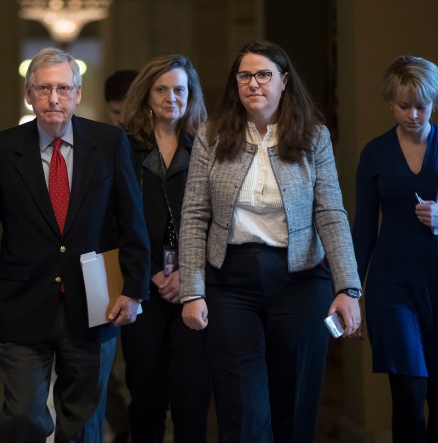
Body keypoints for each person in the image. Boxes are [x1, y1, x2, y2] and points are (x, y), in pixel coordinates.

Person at [0, 47, 151, 443]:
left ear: (78, 94)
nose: (54, 98)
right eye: (44, 88)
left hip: (93, 303)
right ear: (29, 94)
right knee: (24, 416)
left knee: (82, 425)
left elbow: (131, 222)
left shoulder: (109, 143)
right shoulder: (0, 149)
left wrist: (133, 290)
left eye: (63, 88)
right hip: (22, 303)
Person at [178, 40, 362, 442]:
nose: (253, 84)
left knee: (295, 404)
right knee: (244, 410)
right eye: (244, 75)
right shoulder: (212, 135)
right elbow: (194, 214)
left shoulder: (313, 136)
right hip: (230, 283)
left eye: (264, 75)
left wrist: (347, 287)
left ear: (284, 82)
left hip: (299, 279)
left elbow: (330, 213)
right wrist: (192, 290)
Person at [122, 54, 211, 442]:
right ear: (146, 94)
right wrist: (154, 269)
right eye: (161, 89)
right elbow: (115, 219)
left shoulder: (209, 147)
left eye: (179, 89)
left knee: (192, 397)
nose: (170, 97)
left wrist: (187, 273)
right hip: (142, 285)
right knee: (146, 395)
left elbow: (219, 218)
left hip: (195, 285)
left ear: (190, 95)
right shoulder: (123, 148)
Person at [352, 55, 438, 443]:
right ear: (391, 102)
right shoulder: (375, 154)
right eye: (404, 106)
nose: (414, 115)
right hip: (393, 286)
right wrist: (350, 291)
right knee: (408, 393)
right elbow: (364, 228)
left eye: (422, 106)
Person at [101, 68, 138, 443]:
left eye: (128, 109)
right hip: (109, 264)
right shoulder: (105, 144)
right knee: (103, 361)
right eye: (115, 111)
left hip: (153, 269)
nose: (123, 118)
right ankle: (122, 426)